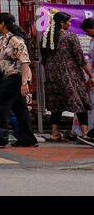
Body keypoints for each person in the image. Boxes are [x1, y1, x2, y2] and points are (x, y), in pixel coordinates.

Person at [0, 12, 38, 148]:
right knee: (20, 109)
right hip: (8, 76)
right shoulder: (4, 39)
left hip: (15, 77)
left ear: (3, 24)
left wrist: (24, 83)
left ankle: (0, 138)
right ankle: (27, 139)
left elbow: (25, 62)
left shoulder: (16, 40)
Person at [39, 11, 93, 145]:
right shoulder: (70, 36)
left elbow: (43, 59)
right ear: (62, 23)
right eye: (68, 22)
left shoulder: (46, 38)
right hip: (70, 74)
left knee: (56, 105)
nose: (69, 24)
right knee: (79, 102)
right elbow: (80, 59)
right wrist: (91, 75)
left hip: (52, 74)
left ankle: (54, 133)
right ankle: (85, 134)